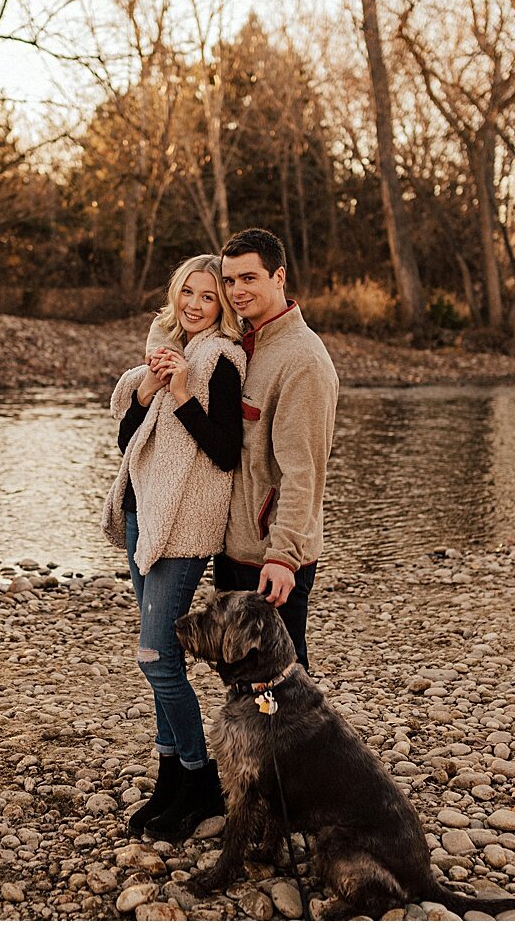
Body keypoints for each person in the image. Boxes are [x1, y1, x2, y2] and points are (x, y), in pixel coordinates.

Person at [103, 255, 247, 844]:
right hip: (143, 515)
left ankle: (199, 777)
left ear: (222, 308)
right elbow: (126, 442)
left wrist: (185, 392)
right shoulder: (165, 344)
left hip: (183, 529)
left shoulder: (221, 360)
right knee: (157, 657)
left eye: (208, 297)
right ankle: (169, 779)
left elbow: (224, 451)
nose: (194, 304)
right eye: (187, 292)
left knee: (159, 659)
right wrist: (147, 387)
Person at [214, 228, 338, 671]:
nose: (236, 291)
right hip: (235, 548)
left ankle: (305, 744)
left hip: (271, 559)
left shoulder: (302, 360)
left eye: (248, 278)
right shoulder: (242, 343)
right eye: (229, 281)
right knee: (239, 671)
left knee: (279, 678)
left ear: (279, 276)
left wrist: (283, 556)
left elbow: (304, 473)